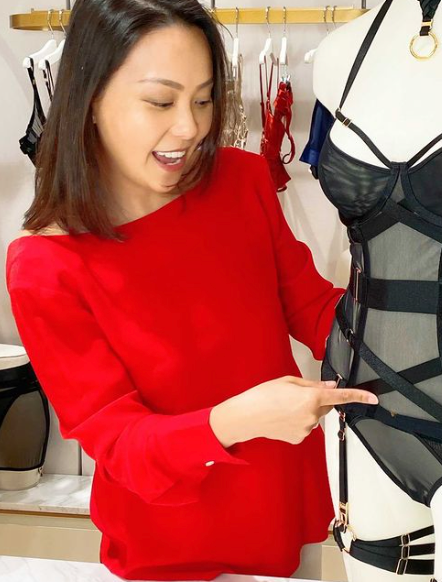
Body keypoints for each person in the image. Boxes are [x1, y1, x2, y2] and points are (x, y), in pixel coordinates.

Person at [4, 0, 379, 580]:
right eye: (161, 101)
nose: (190, 127)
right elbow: (121, 443)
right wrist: (238, 420)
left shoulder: (241, 179)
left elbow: (310, 306)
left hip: (283, 501)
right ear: (90, 100)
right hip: (167, 541)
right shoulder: (45, 264)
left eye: (203, 100)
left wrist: (409, 326)